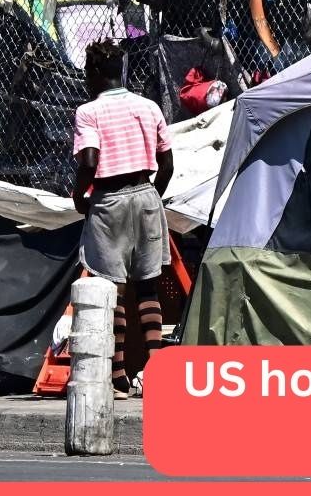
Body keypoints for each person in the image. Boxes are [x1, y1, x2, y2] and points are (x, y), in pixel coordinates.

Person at [71, 39, 174, 398]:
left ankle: (118, 378)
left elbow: (88, 160)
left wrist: (78, 197)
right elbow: (167, 162)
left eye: (87, 73)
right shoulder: (149, 108)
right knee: (148, 287)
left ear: (97, 74)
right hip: (146, 195)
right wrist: (152, 197)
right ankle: (156, 369)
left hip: (109, 201)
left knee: (112, 291)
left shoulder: (88, 112)